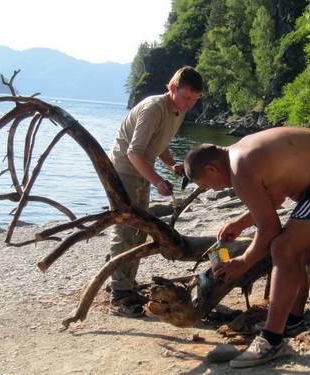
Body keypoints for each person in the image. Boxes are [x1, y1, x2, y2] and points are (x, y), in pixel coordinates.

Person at [183, 127, 310, 368]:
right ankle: (292, 321)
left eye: (208, 185)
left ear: (211, 168)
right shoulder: (242, 150)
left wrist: (244, 262)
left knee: (282, 248)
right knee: (296, 251)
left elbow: (269, 229)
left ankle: (271, 340)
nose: (215, 189)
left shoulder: (240, 170)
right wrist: (239, 223)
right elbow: (275, 198)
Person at [108, 66, 203, 317]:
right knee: (126, 228)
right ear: (172, 89)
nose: (190, 104)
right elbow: (134, 152)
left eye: (195, 100)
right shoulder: (153, 108)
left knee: (140, 229)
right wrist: (158, 181)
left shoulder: (178, 109)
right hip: (124, 171)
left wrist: (170, 164)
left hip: (140, 170)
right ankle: (119, 294)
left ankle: (126, 284)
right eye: (186, 97)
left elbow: (159, 143)